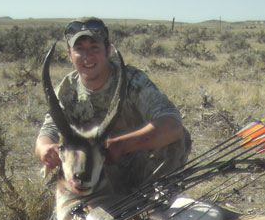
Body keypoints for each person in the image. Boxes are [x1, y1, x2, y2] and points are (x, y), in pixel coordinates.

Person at [35, 17, 191, 194]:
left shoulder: (133, 80)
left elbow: (172, 124)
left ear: (108, 50)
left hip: (139, 164)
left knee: (179, 138)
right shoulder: (66, 89)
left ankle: (159, 200)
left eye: (94, 48)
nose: (88, 56)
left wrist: (120, 145)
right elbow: (48, 131)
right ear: (70, 55)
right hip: (91, 171)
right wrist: (46, 149)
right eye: (80, 49)